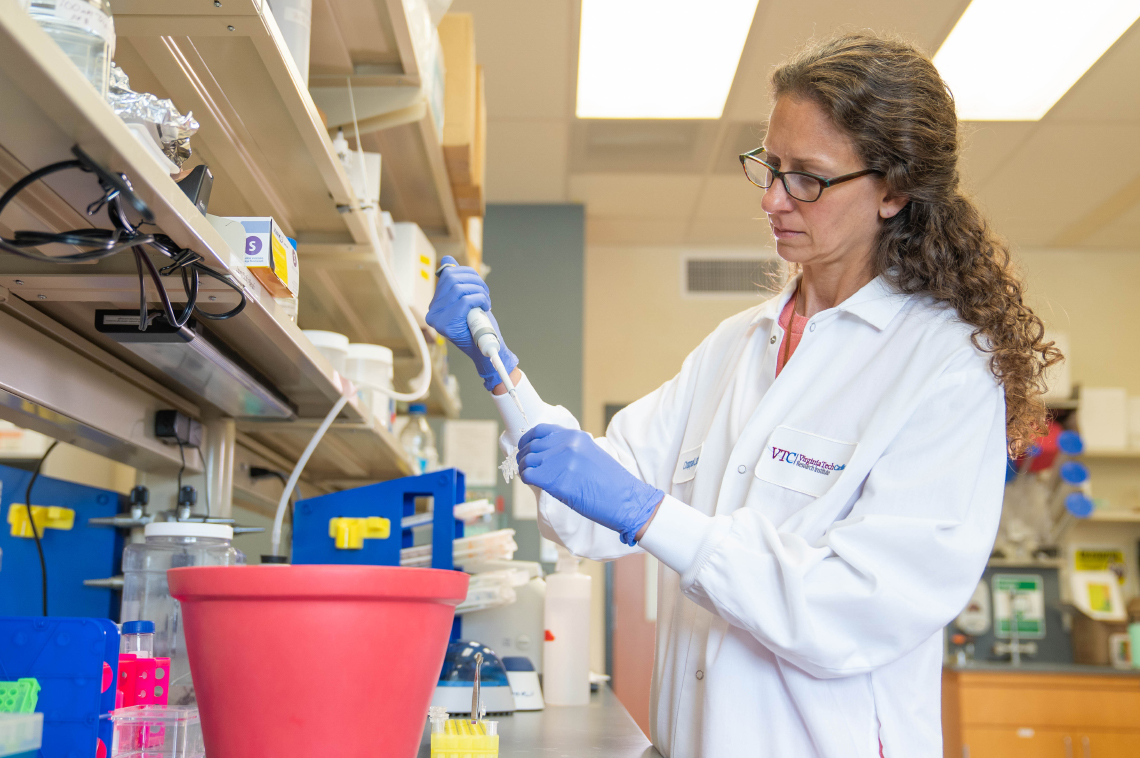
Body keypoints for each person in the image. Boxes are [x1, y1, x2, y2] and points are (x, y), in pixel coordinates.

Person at [427, 32, 1059, 758]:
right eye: (770, 165)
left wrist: (656, 517)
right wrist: (498, 370)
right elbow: (589, 510)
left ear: (894, 190)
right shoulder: (737, 345)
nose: (771, 199)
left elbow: (854, 608)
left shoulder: (945, 369)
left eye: (807, 178)